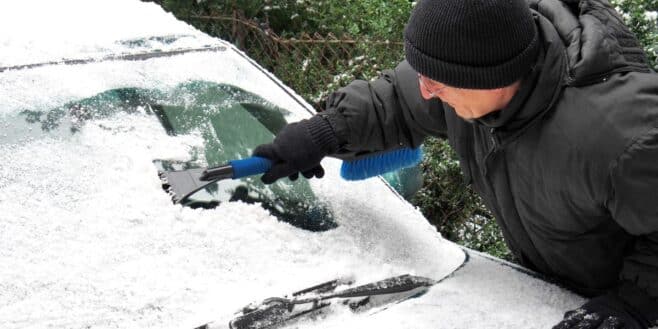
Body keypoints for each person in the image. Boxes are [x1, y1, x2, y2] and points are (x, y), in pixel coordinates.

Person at [252, 0, 658, 327]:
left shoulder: (620, 136)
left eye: (437, 82)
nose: (426, 91)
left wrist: (635, 304)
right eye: (426, 75)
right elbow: (396, 98)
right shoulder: (471, 70)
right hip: (546, 293)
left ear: (493, 78)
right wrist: (324, 132)